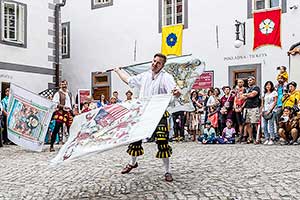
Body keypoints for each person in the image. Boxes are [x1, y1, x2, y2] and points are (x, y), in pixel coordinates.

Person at [114, 53, 180, 182]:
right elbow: (128, 80)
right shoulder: (144, 76)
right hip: (144, 113)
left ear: (162, 65)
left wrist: (177, 92)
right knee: (135, 139)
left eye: (158, 63)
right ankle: (133, 163)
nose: (155, 64)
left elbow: (175, 90)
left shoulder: (166, 77)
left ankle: (167, 171)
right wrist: (117, 71)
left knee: (162, 142)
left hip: (159, 114)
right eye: (154, 61)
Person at [50, 80, 73, 152]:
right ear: (60, 85)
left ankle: (71, 145)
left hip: (68, 112)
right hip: (60, 112)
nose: (64, 85)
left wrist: (73, 109)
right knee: (56, 128)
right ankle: (51, 145)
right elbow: (54, 103)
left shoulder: (69, 93)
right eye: (63, 84)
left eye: (65, 84)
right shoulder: (58, 94)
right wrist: (63, 107)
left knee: (71, 129)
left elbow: (71, 103)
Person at [242, 76, 261, 144]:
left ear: (254, 80)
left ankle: (258, 138)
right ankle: (250, 137)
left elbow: (253, 95)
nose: (249, 81)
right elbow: (242, 97)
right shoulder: (246, 89)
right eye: (248, 80)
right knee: (248, 123)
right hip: (247, 108)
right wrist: (246, 95)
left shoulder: (256, 88)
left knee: (255, 123)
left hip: (254, 107)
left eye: (250, 80)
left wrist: (246, 95)